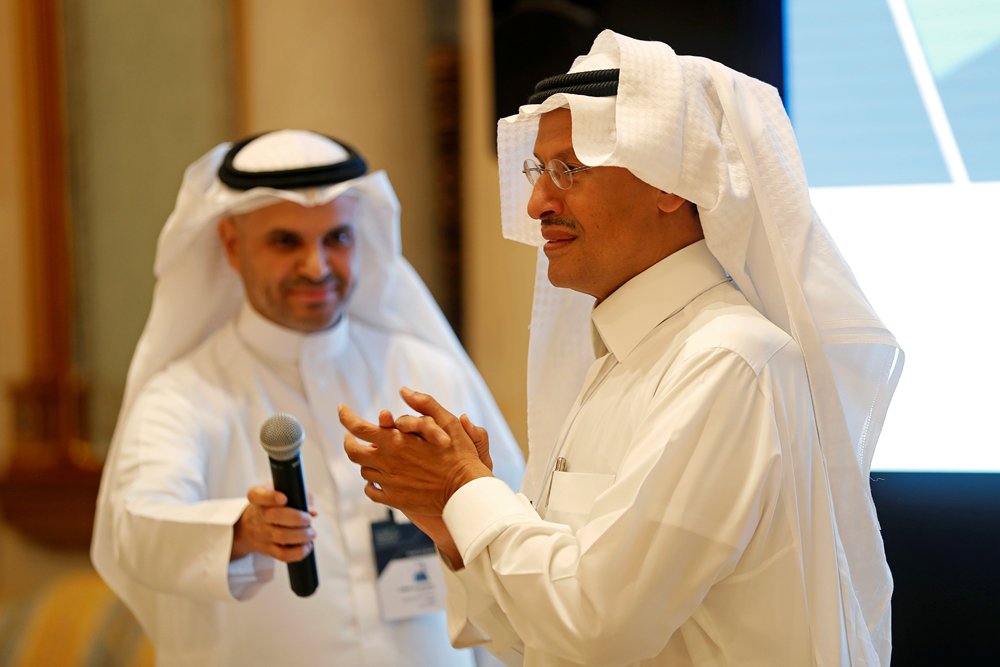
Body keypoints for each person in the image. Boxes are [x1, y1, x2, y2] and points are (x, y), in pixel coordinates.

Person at [339, 31, 904, 666]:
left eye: (569, 172)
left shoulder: (728, 361)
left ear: (672, 183)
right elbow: (536, 632)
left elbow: (598, 626)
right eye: (538, 170)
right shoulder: (616, 363)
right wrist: (452, 524)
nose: (536, 203)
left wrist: (469, 488)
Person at [90, 129, 524, 666]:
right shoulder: (185, 393)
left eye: (337, 238)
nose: (316, 267)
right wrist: (240, 531)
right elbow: (136, 525)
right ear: (231, 245)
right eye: (285, 241)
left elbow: (508, 537)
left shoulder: (424, 371)